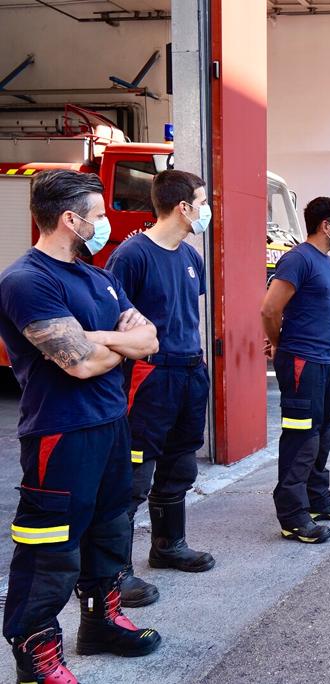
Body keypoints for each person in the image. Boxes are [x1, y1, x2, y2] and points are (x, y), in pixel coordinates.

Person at [0, 170, 162, 683]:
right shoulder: (27, 281)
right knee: (50, 547)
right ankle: (37, 657)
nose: (104, 223)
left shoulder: (98, 277)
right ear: (71, 219)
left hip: (111, 424)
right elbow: (80, 364)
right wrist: (115, 342)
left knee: (110, 530)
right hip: (61, 432)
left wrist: (98, 338)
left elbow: (150, 340)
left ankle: (100, 624)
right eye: (98, 214)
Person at [105, 170, 215, 609]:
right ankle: (114, 573)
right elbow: (112, 320)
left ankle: (168, 546)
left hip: (190, 372)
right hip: (150, 376)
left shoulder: (191, 256)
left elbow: (186, 313)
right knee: (133, 476)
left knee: (180, 464)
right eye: (202, 202)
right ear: (183, 207)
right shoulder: (131, 256)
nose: (207, 210)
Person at [261, 196, 330, 544]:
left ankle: (317, 499)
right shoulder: (298, 259)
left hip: (323, 361)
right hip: (301, 359)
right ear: (325, 225)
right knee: (301, 436)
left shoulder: (328, 263)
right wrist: (279, 344)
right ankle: (292, 516)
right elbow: (269, 310)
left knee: (321, 432)